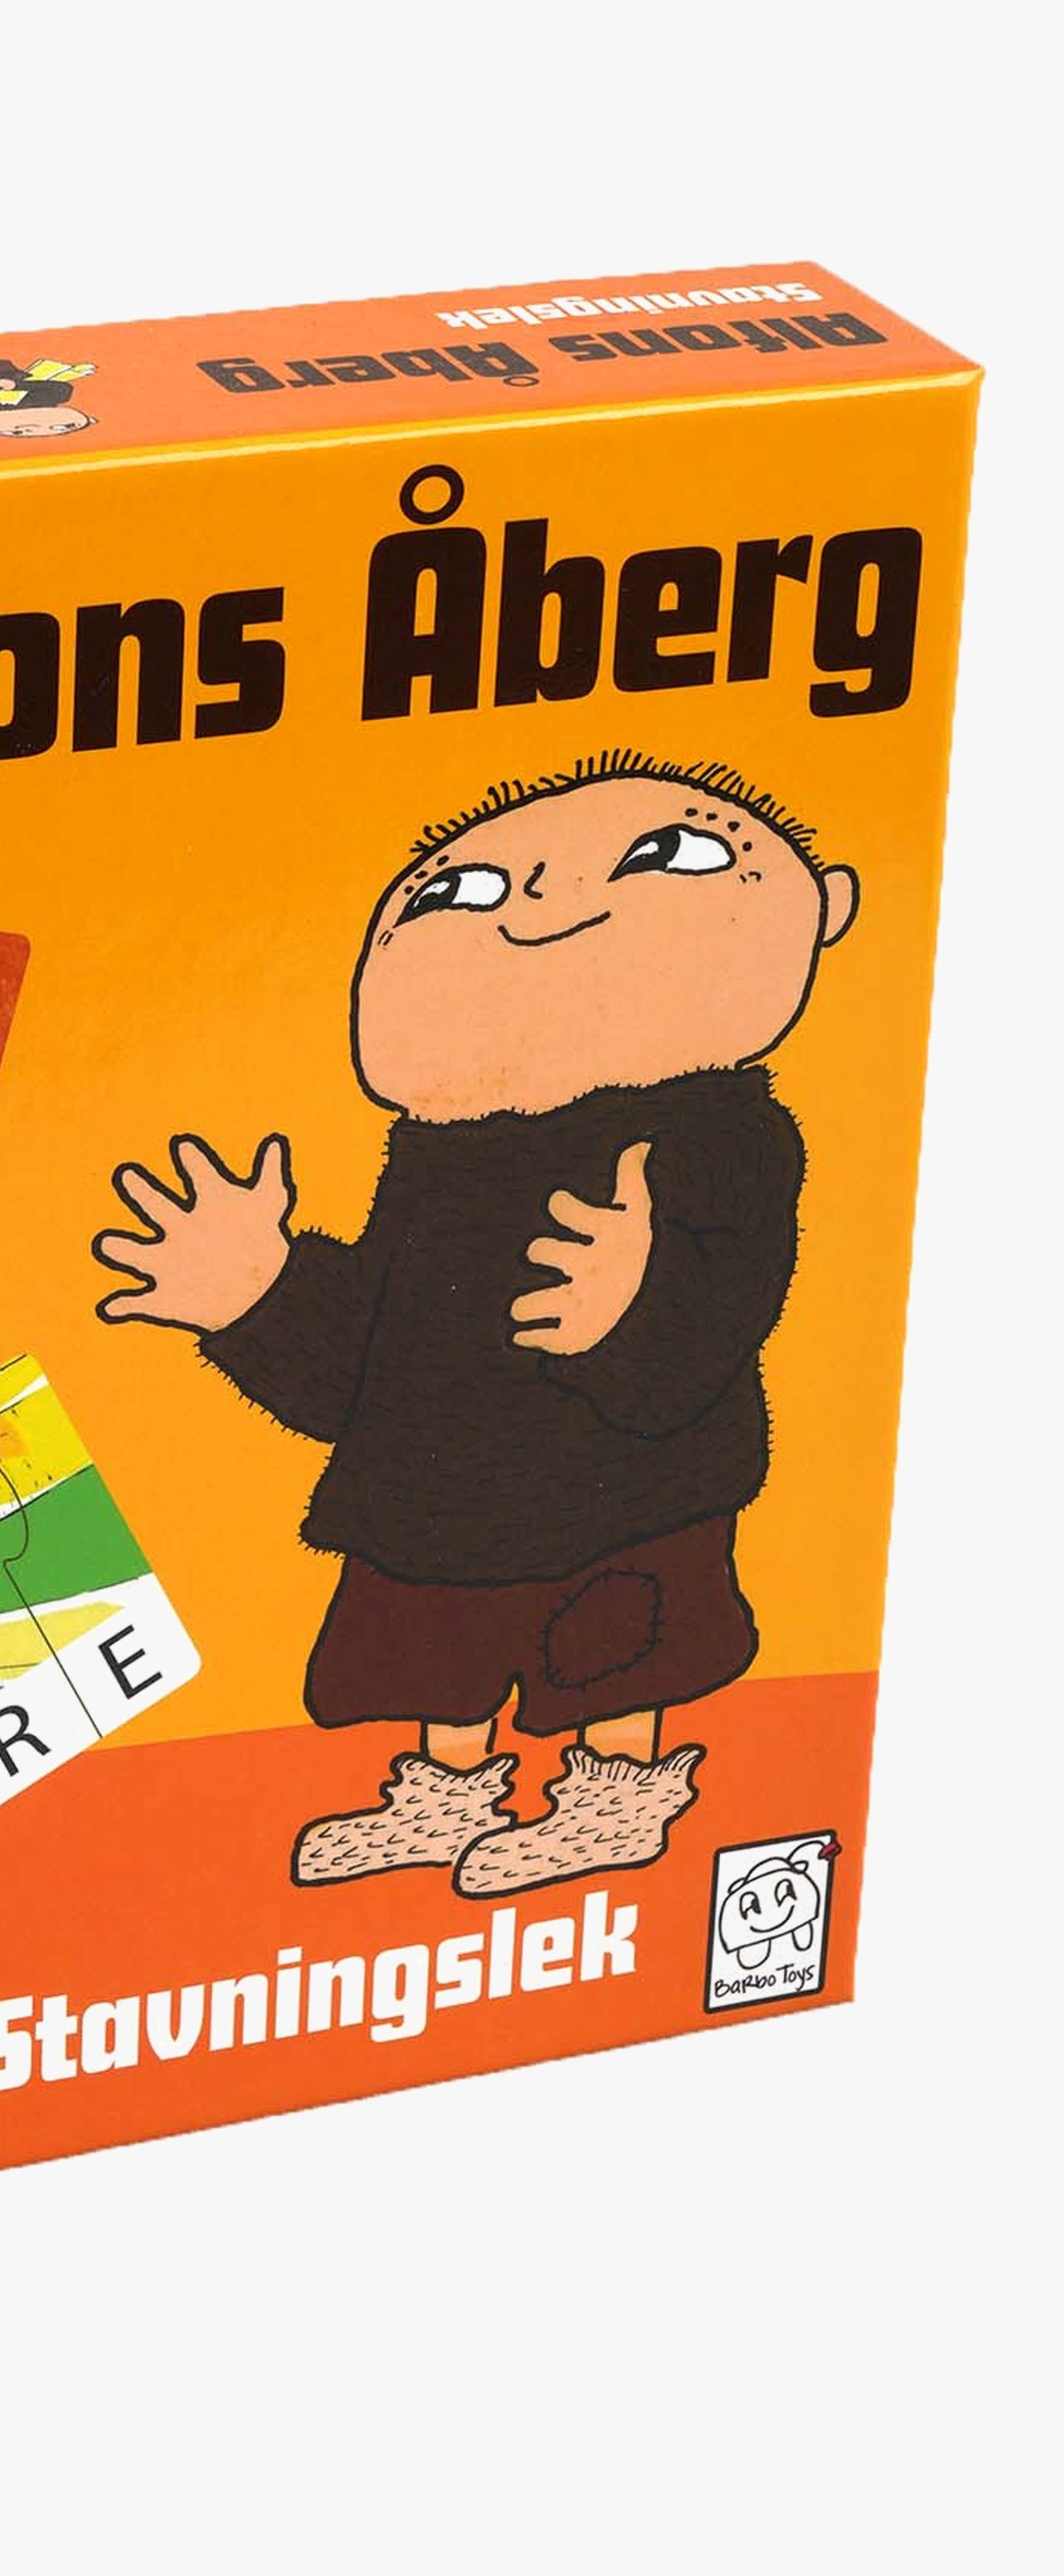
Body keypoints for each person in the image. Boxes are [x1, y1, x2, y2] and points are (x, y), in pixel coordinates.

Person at [92, 753, 858, 1896]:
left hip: (630, 1488)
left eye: (669, 853)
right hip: (440, 1496)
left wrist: (630, 1313)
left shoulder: (724, 1132)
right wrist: (258, 1295)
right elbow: (365, 1367)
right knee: (433, 1648)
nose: (540, 898)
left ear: (823, 908)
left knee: (615, 1641)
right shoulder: (439, 1157)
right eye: (464, 889)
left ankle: (618, 1792)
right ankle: (445, 1794)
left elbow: (726, 1309)